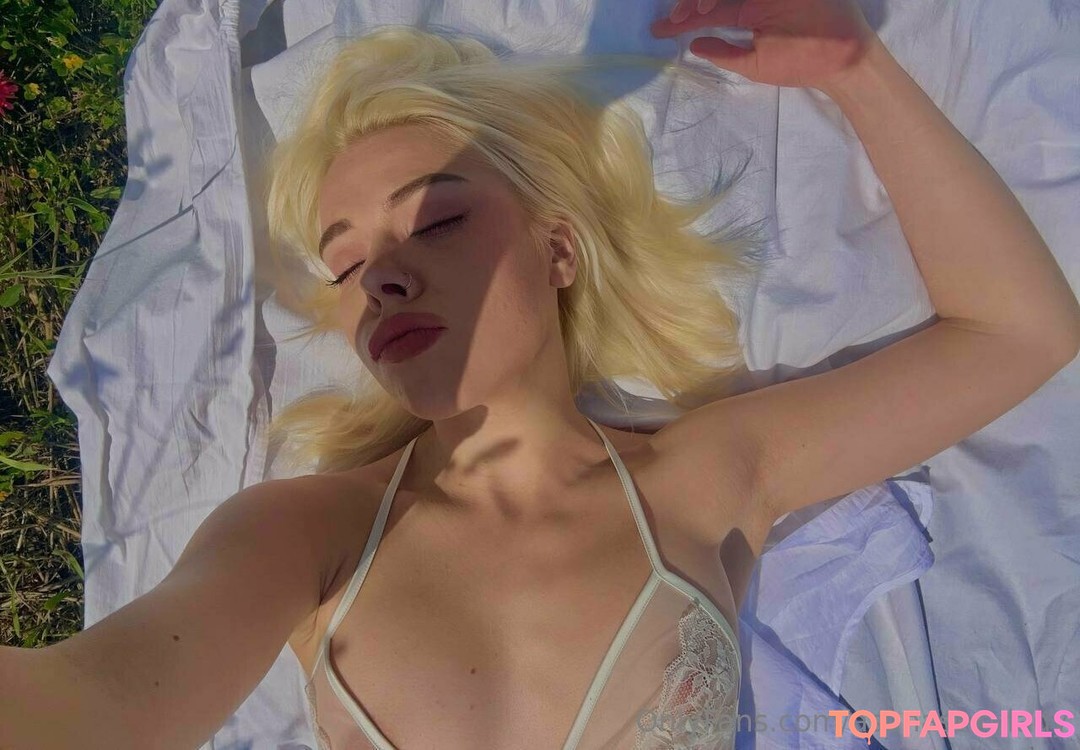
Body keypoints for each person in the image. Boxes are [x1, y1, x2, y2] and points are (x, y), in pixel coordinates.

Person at [3, 1, 1078, 748]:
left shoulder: (703, 478)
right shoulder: (304, 534)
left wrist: (857, 69)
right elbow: (95, 706)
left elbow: (1018, 332)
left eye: (436, 220)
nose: (382, 280)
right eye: (346, 265)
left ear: (558, 250)